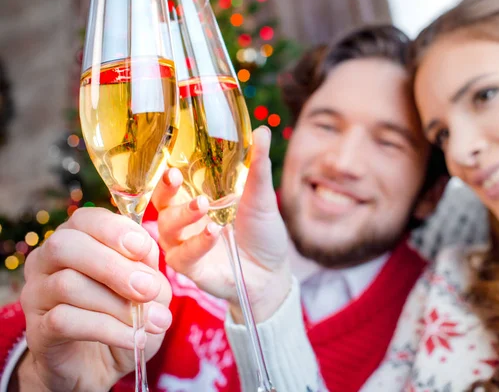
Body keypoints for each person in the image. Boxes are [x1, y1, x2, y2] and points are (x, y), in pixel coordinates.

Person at [0, 25, 448, 392]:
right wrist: (39, 380)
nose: (340, 162)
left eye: (389, 142)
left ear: (431, 193)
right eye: (326, 124)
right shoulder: (175, 229)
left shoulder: (441, 325)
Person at [224, 0, 499, 390]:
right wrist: (263, 298)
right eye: (442, 134)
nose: (459, 152)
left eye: (485, 95)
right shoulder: (454, 282)